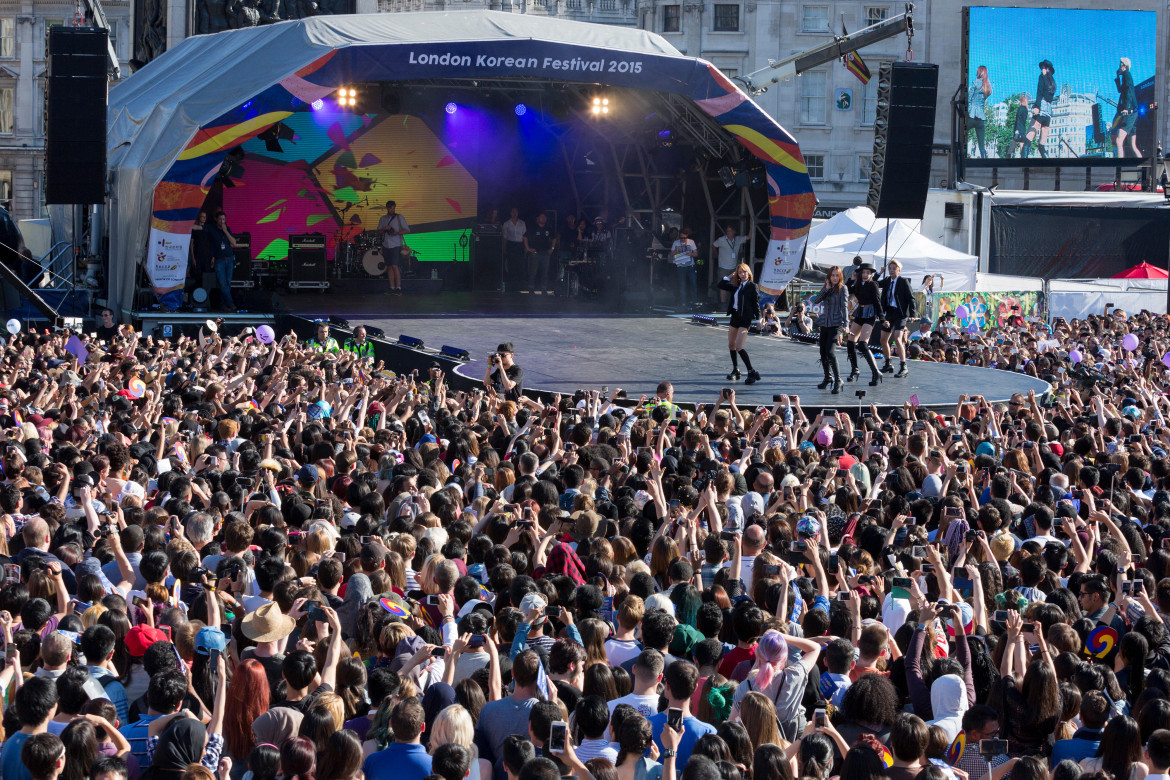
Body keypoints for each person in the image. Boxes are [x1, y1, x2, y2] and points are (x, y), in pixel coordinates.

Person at [717, 263, 761, 385]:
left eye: (744, 272)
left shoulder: (752, 286)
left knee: (738, 346)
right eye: (740, 272)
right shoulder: (736, 286)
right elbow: (720, 285)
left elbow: (755, 304)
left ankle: (751, 371)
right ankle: (736, 369)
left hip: (745, 318)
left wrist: (758, 320)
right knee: (731, 345)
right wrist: (730, 276)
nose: (742, 274)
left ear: (749, 273)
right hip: (735, 316)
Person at [810, 265, 848, 393]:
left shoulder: (843, 289)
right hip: (825, 323)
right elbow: (816, 300)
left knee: (830, 352)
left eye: (837, 275)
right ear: (829, 277)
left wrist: (846, 324)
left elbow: (844, 308)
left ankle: (838, 380)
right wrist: (826, 289)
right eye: (833, 275)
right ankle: (828, 377)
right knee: (822, 352)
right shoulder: (827, 288)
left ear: (840, 276)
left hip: (836, 324)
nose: (835, 278)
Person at [845, 260, 883, 386]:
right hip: (860, 312)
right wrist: (852, 278)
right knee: (850, 341)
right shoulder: (857, 284)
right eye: (864, 272)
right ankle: (854, 369)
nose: (866, 275)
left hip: (871, 313)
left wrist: (882, 319)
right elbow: (846, 289)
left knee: (862, 343)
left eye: (868, 273)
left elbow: (878, 302)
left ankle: (876, 372)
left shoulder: (873, 285)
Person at [878, 259, 915, 378]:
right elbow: (874, 284)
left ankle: (903, 366)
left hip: (900, 313)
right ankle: (888, 363)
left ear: (898, 270)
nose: (892, 270)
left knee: (897, 338)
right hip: (889, 313)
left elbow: (911, 298)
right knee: (883, 339)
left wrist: (913, 313)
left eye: (894, 268)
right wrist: (879, 273)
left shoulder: (903, 281)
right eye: (890, 268)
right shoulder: (887, 280)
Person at [202, 211, 240, 312]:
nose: (222, 221)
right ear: (216, 219)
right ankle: (231, 304)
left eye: (224, 219)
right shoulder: (211, 228)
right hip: (219, 260)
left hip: (229, 258)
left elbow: (234, 243)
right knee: (222, 284)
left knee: (227, 283)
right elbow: (200, 228)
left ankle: (224, 305)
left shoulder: (227, 229)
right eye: (220, 219)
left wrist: (225, 231)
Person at [1023, 60, 1057, 159]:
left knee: (1029, 136)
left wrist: (1037, 106)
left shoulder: (1042, 77)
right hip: (1049, 112)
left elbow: (1039, 92)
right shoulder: (1053, 82)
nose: (1042, 69)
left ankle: (1023, 160)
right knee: (1042, 142)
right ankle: (1045, 160)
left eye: (1043, 67)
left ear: (1047, 69)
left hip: (1041, 108)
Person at [377, 200, 410, 296]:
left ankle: (398, 288)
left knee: (395, 266)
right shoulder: (383, 219)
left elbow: (407, 230)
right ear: (387, 208)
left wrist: (396, 233)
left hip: (396, 244)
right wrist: (384, 229)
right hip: (386, 244)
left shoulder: (399, 217)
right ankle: (392, 288)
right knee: (389, 266)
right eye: (391, 208)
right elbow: (378, 232)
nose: (393, 209)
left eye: (394, 208)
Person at [1113, 57, 1140, 159]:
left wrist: (1127, 108)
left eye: (1120, 64)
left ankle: (1119, 166)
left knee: (1119, 141)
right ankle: (1143, 167)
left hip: (1130, 113)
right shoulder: (1125, 76)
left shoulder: (1126, 74)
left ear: (1123, 66)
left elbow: (1128, 91)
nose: (1119, 66)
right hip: (1133, 113)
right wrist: (1117, 77)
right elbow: (1120, 90)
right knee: (1133, 145)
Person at [524, 213, 556, 296]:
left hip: (546, 253)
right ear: (537, 218)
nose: (543, 218)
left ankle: (544, 289)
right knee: (533, 272)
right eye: (541, 217)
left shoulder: (549, 228)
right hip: (535, 253)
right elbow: (525, 237)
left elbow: (554, 238)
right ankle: (531, 289)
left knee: (545, 272)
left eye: (545, 217)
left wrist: (552, 249)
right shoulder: (533, 228)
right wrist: (528, 248)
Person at [712, 226, 746, 304]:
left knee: (732, 285)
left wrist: (752, 224)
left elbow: (748, 237)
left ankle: (730, 302)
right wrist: (717, 255)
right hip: (723, 267)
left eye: (730, 231)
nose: (728, 233)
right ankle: (723, 304)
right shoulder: (722, 240)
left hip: (733, 267)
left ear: (734, 232)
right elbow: (713, 245)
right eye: (727, 231)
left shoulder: (737, 240)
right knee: (723, 286)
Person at [967, 66, 992, 159]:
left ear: (979, 72)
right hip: (981, 119)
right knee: (982, 145)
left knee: (961, 135)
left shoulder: (975, 82)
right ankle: (984, 161)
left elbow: (969, 98)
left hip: (972, 116)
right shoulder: (988, 86)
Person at [671, 227, 698, 309]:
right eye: (681, 238)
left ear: (687, 236)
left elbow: (696, 254)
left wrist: (691, 254)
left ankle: (694, 302)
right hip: (681, 267)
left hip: (690, 266)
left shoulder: (691, 242)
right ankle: (683, 303)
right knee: (682, 286)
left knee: (693, 284)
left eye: (684, 238)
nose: (683, 239)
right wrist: (675, 250)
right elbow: (671, 254)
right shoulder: (676, 243)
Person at [501, 208, 526, 291]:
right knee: (511, 264)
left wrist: (526, 247)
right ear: (510, 213)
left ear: (518, 213)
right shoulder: (506, 223)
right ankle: (511, 284)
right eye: (513, 212)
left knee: (520, 264)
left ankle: (519, 284)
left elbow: (525, 236)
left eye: (516, 212)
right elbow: (505, 237)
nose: (515, 213)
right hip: (511, 245)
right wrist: (504, 248)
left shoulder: (522, 223)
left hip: (520, 245)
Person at [189, 211, 215, 278]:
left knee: (207, 276)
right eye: (202, 217)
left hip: (207, 256)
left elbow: (212, 244)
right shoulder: (194, 230)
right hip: (197, 255)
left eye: (205, 217)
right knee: (197, 275)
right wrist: (192, 257)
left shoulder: (208, 228)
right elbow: (191, 244)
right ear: (199, 217)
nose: (204, 218)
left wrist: (213, 257)